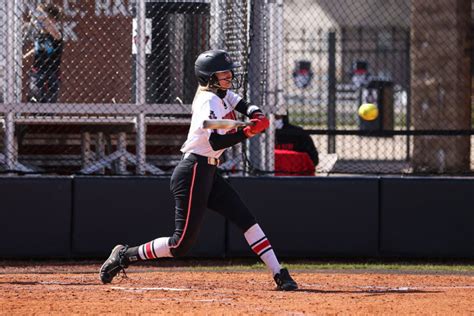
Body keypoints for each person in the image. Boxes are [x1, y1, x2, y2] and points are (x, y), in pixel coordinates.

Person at [99, 49, 298, 291]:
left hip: (209, 171)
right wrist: (247, 131)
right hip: (193, 170)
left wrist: (255, 114)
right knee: (180, 244)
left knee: (245, 219)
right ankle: (124, 255)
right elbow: (215, 140)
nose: (229, 77)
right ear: (209, 77)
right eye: (223, 74)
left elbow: (240, 102)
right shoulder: (208, 100)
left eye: (228, 73)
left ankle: (279, 272)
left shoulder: (222, 95)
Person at [25, 3, 64, 103]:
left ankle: (46, 111)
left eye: (44, 19)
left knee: (50, 101)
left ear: (53, 20)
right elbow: (38, 48)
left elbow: (52, 29)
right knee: (34, 91)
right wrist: (25, 56)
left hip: (52, 72)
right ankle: (35, 100)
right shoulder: (40, 34)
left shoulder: (57, 35)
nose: (40, 21)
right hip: (37, 70)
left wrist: (40, 14)